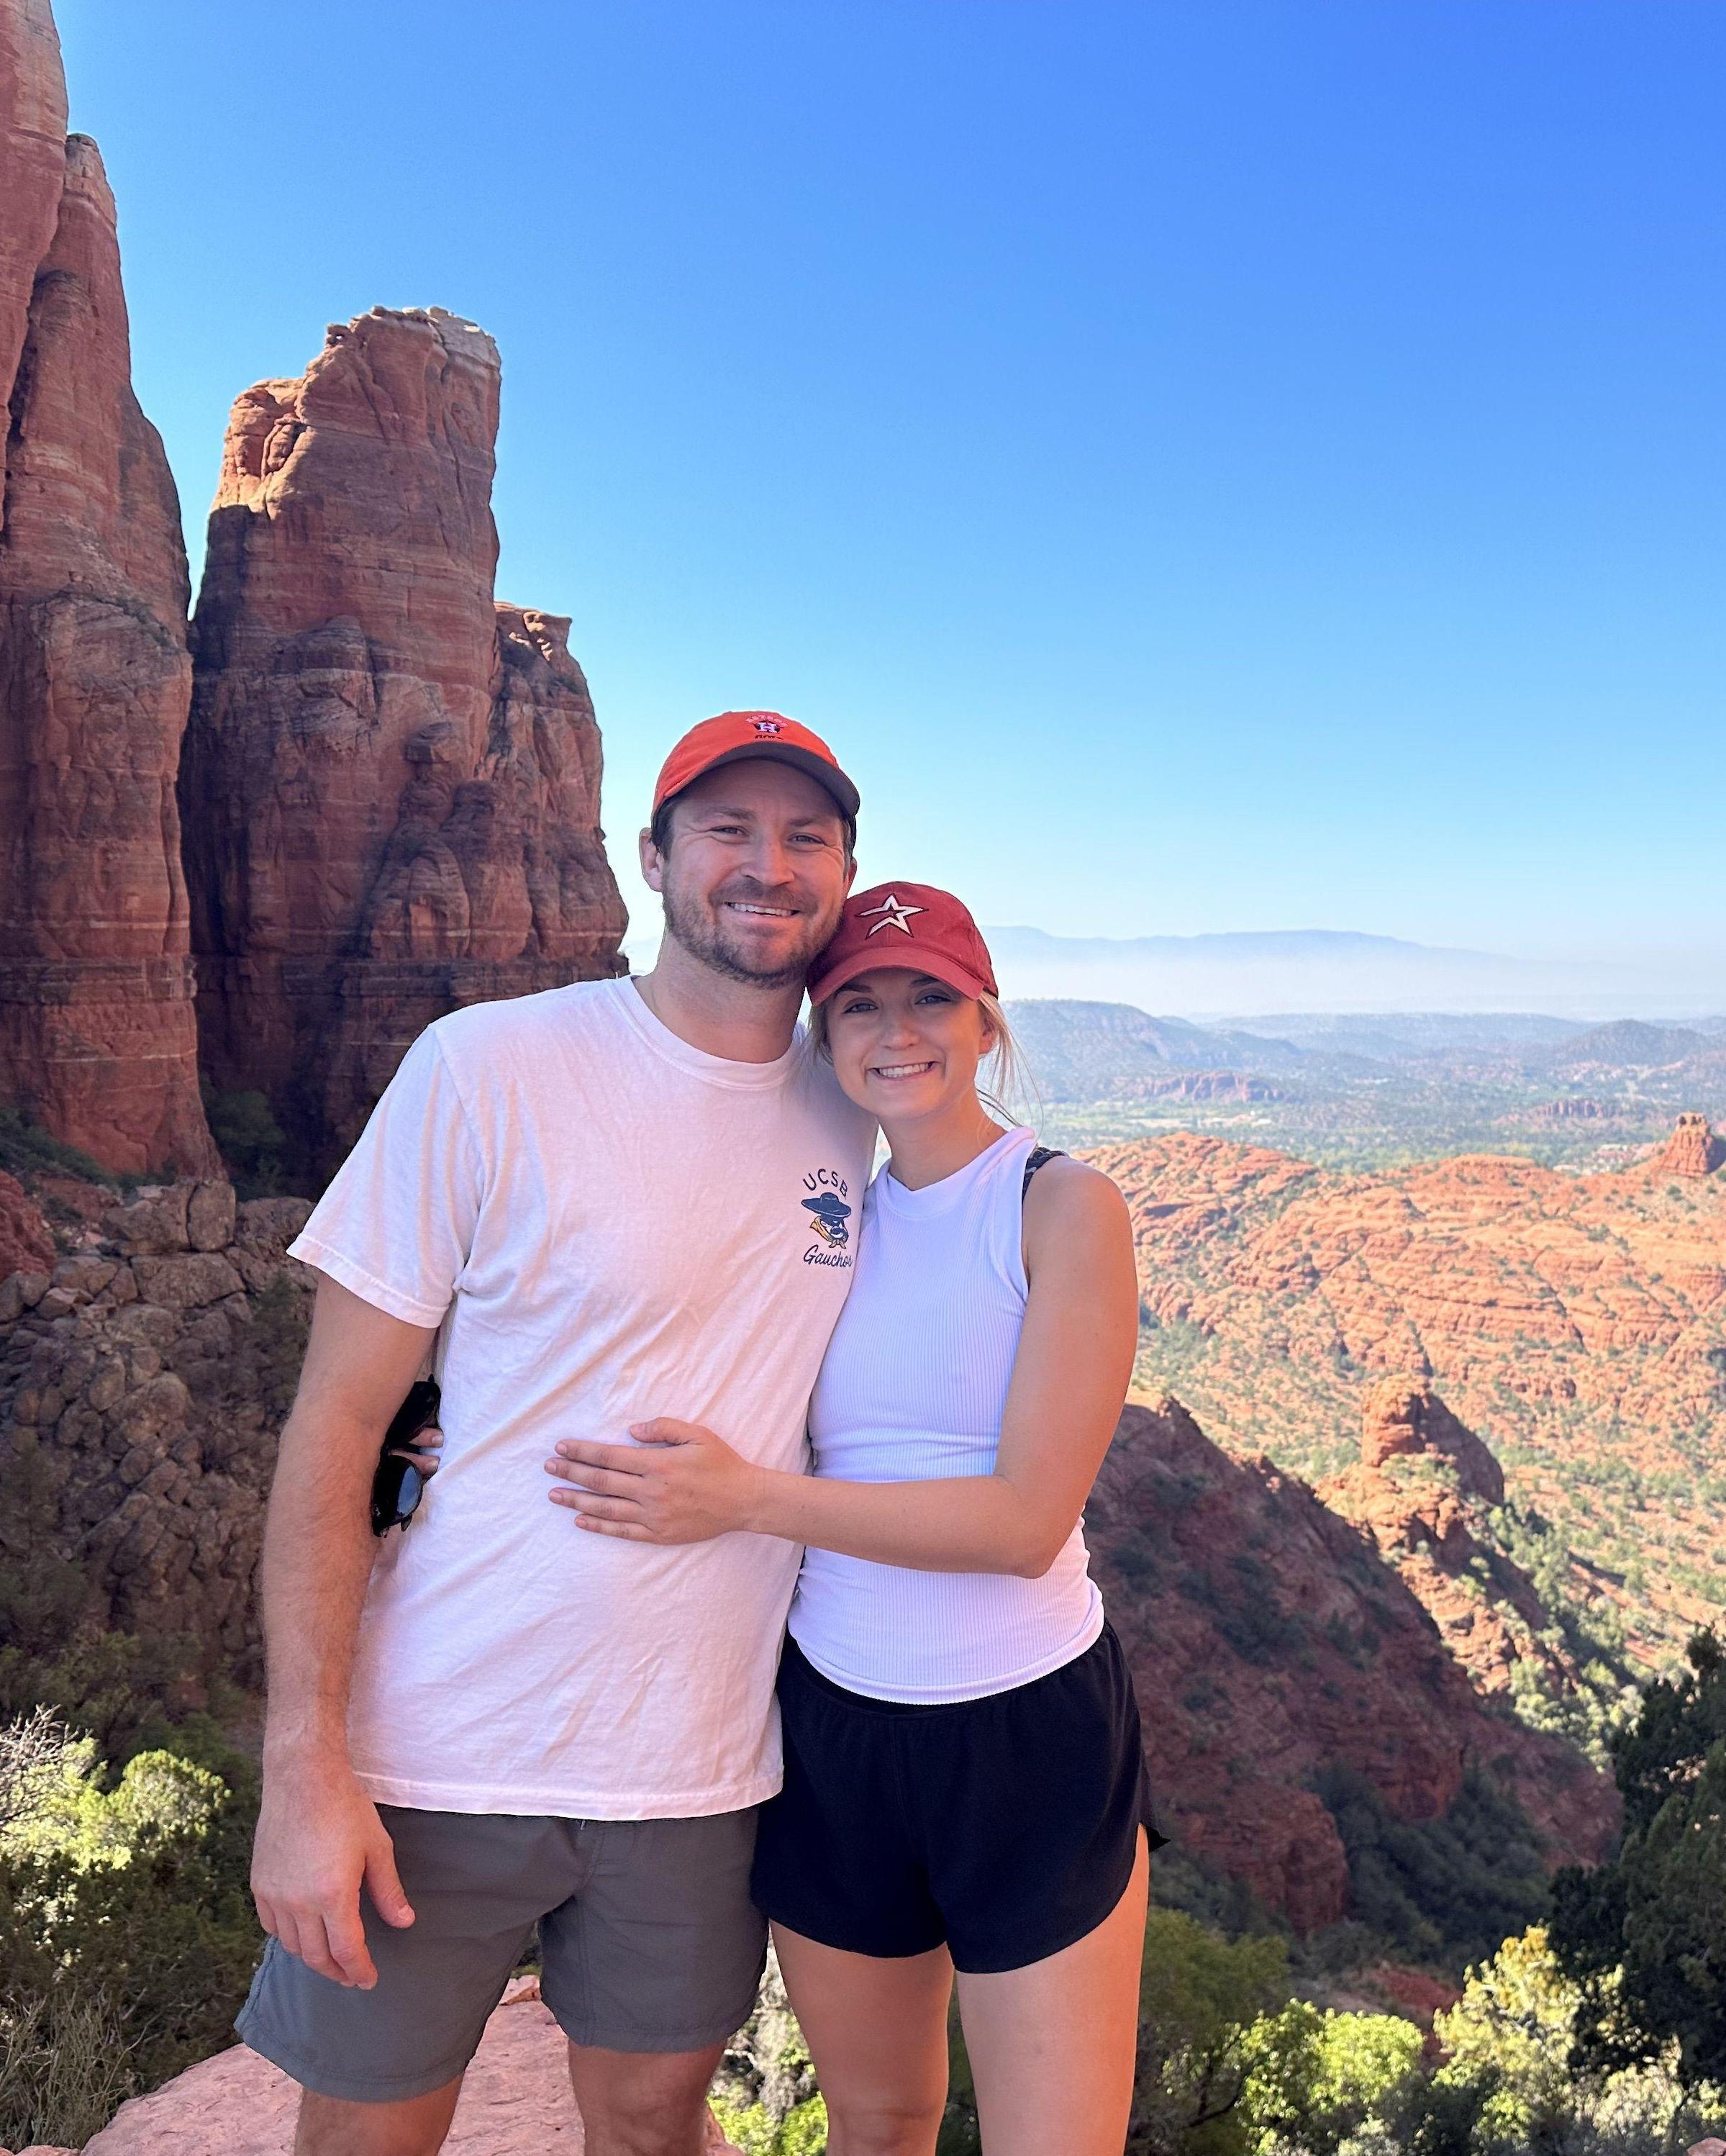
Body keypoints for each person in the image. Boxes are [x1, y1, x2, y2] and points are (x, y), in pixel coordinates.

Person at [242, 712, 873, 2156]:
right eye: (726, 830)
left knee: (654, 2127)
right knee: (367, 2138)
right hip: (434, 1751)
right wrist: (303, 1769)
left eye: (804, 836)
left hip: (697, 1770)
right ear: (653, 859)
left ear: (840, 870)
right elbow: (336, 1426)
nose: (765, 866)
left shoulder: (857, 1114)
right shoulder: (487, 1067)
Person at [543, 882, 1155, 2156]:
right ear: (824, 1037)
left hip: (1025, 1731)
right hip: (832, 1733)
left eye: (929, 994)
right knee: (878, 2125)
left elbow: (1024, 1522)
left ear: (985, 1018)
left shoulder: (1059, 1204)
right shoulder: (826, 1227)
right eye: (859, 1002)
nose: (896, 1028)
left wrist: (745, 1502)